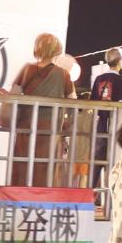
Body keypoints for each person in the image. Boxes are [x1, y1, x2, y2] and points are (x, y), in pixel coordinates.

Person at [12, 32, 73, 184]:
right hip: (50, 129)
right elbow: (73, 101)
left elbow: (13, 95)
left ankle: (18, 200)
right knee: (44, 169)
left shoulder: (27, 70)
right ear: (56, 50)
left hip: (26, 127)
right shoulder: (63, 75)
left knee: (22, 165)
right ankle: (40, 202)